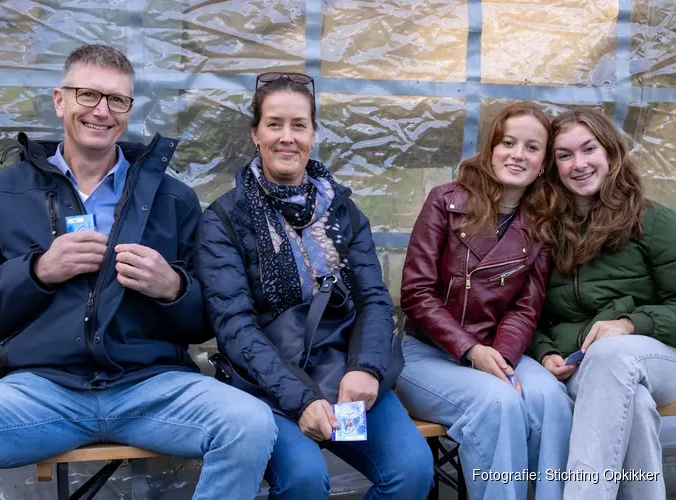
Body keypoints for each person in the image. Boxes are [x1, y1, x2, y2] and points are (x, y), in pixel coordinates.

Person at [0, 44, 276, 500]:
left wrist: (172, 288)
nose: (101, 111)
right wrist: (37, 272)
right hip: (42, 390)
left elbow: (212, 319)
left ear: (129, 110)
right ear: (59, 100)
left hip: (151, 386)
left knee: (248, 423)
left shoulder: (173, 199)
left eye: (117, 100)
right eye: (87, 95)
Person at [195, 72, 434, 500]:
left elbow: (375, 300)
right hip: (266, 383)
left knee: (411, 471)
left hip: (343, 374)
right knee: (304, 480)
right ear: (255, 134)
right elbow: (234, 327)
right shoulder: (224, 219)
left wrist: (365, 369)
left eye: (299, 125)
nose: (287, 137)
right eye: (274, 124)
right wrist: (301, 399)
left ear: (314, 133)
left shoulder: (342, 210)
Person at [397, 102, 574, 500]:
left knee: (550, 399)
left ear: (544, 163)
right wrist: (471, 351)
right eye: (508, 142)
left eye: (532, 147)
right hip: (428, 352)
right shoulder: (445, 201)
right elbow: (416, 294)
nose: (517, 154)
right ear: (491, 148)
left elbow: (526, 307)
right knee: (498, 404)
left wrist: (504, 359)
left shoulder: (541, 222)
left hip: (498, 350)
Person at [532, 107, 676, 500]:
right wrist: (545, 352)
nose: (578, 164)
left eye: (588, 149)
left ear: (610, 152)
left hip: (657, 356)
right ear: (552, 165)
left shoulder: (653, 221)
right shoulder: (542, 231)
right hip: (581, 365)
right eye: (564, 155)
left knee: (613, 355)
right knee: (637, 408)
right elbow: (525, 313)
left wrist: (630, 324)